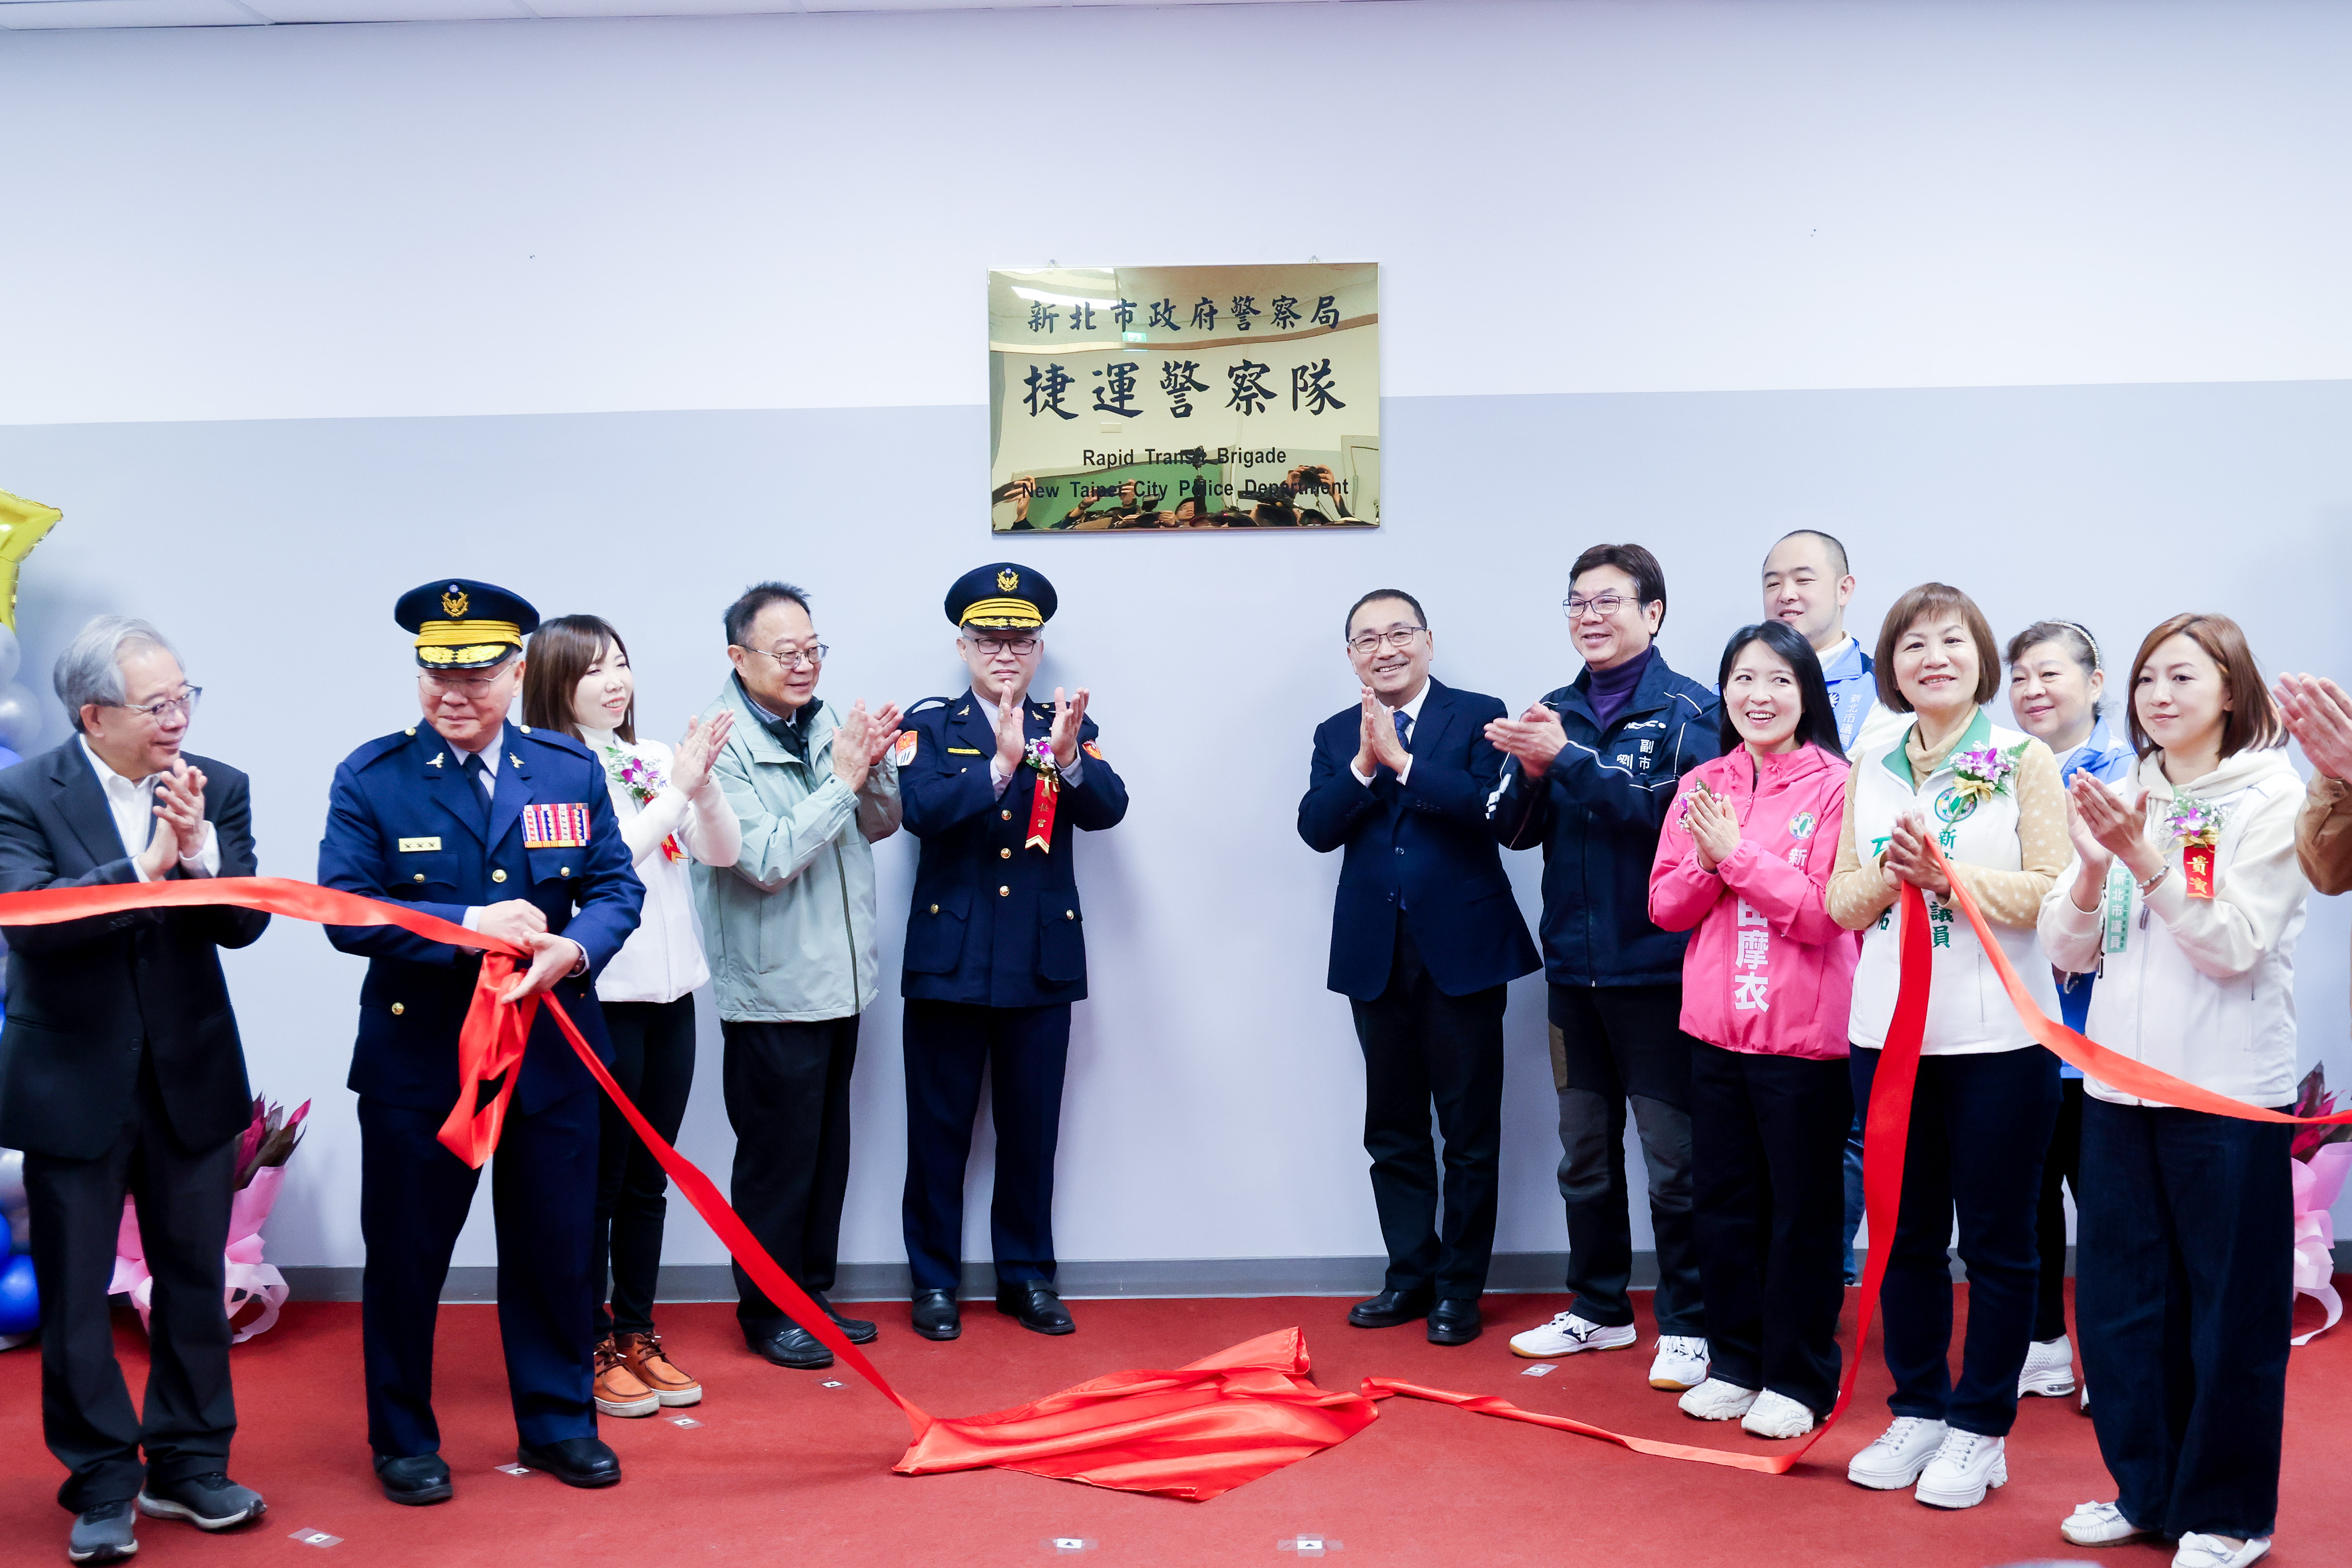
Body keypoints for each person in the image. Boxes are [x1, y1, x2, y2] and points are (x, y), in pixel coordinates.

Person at [319, 580, 644, 1504]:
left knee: (556, 1249)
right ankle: (404, 1437)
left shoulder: (569, 769)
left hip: (549, 1051)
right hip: (422, 1062)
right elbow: (346, 908)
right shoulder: (373, 776)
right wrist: (467, 920)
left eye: (476, 675)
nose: (452, 693)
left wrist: (575, 948)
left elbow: (619, 887)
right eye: (435, 673)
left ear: (516, 670)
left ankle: (556, 1424)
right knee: (409, 1254)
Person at [0, 618, 268, 1563]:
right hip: (72, 1081)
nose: (177, 719)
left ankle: (191, 1465)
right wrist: (145, 871)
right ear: (92, 714)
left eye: (186, 696)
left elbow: (243, 929)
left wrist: (200, 860)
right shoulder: (21, 793)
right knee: (75, 1297)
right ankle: (103, 1480)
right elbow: (32, 926)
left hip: (188, 1075)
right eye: (157, 705)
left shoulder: (216, 785)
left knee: (192, 1281)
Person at [2040, 613, 2305, 1568]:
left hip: (2224, 1096)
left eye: (2182, 678)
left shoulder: (2272, 797)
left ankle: (2229, 1515)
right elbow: (2070, 953)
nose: (2158, 696)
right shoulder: (2119, 790)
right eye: (2148, 678)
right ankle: (2145, 1491)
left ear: (2230, 690)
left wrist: (2146, 862)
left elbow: (2235, 948)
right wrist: (2096, 865)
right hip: (2116, 1092)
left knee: (2226, 1312)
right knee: (2121, 1305)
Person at [1827, 582, 2065, 1509]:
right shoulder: (1873, 760)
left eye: (1952, 642)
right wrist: (1894, 878)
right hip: (1885, 1035)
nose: (1934, 657)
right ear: (1890, 665)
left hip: (1998, 1038)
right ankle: (1919, 1406)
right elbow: (1841, 902)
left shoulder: (2022, 759)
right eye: (1914, 643)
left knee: (2001, 1244)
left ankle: (1980, 1429)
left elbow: (2049, 894)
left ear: (1982, 661)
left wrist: (1949, 876)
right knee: (1906, 1237)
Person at [1486, 543, 1721, 1391]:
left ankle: (1689, 1322)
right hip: (1572, 978)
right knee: (1582, 1152)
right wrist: (1527, 772)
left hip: (1658, 976)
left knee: (1675, 1161)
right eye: (1577, 602)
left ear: (1652, 613)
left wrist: (1569, 762)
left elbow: (1677, 825)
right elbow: (1510, 833)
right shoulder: (1553, 709)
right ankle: (1599, 1309)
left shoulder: (1697, 710)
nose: (1590, 615)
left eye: (1609, 600)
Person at [1297, 589, 1539, 1347]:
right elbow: (1315, 827)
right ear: (1351, 657)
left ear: (1428, 642)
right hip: (1376, 955)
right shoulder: (1338, 731)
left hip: (1464, 951)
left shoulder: (1478, 715)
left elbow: (1492, 812)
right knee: (1393, 1128)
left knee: (1469, 1130)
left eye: (1399, 632)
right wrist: (1366, 767)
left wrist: (1404, 764)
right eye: (1367, 638)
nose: (1385, 648)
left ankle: (1459, 1290)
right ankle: (1411, 1274)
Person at [897, 563, 1128, 1341]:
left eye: (1020, 640)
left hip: (1039, 958)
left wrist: (1060, 759)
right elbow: (922, 812)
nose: (1005, 653)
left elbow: (1109, 808)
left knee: (1031, 1134)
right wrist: (999, 766)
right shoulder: (930, 728)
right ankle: (933, 1282)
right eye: (990, 640)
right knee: (938, 1133)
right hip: (949, 962)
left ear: (1037, 651)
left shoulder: (1067, 725)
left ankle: (1026, 1277)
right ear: (962, 645)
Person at [520, 615, 741, 1415]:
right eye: (593, 671)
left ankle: (637, 1332)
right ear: (553, 683)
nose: (616, 682)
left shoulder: (649, 759)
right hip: (600, 1001)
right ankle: (586, 1337)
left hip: (673, 996)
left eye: (622, 664)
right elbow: (602, 863)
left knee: (651, 1179)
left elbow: (720, 853)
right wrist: (678, 788)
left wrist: (702, 783)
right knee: (598, 1184)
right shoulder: (546, 770)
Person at [1648, 621, 1857, 1440]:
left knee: (1801, 1215)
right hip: (1713, 1033)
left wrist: (1734, 856)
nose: (1757, 696)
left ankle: (1798, 1378)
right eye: (1742, 679)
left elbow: (1818, 914)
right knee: (1724, 1206)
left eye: (1777, 680)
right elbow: (1665, 908)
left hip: (1803, 1042)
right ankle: (1735, 1364)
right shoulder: (1704, 782)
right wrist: (1711, 856)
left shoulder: (1839, 785)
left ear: (1806, 693)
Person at [694, 583, 903, 1371]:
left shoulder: (820, 725)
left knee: (825, 1156)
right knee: (777, 1163)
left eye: (814, 649)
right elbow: (767, 860)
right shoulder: (724, 744)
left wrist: (872, 767)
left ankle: (811, 1295)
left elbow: (880, 823)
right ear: (738, 658)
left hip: (841, 983)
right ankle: (766, 1311)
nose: (805, 665)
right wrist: (843, 778)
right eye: (786, 653)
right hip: (774, 988)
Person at [1760, 526, 1904, 1288]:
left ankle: (1826, 1277)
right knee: (1785, 1118)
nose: (1788, 593)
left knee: (1857, 1118)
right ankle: (1791, 1283)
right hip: (1777, 923)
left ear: (1845, 589)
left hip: (1873, 921)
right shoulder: (1750, 686)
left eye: (1804, 578)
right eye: (1774, 580)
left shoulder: (1895, 691)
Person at [2004, 620, 2136, 1406]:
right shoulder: (2000, 774)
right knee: (2026, 1203)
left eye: (2049, 673)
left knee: (2112, 1209)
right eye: (2019, 677)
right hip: (2017, 1033)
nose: (2032, 690)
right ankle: (2044, 1343)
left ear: (2094, 682)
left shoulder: (2130, 777)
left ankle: (2114, 1360)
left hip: (2101, 1037)